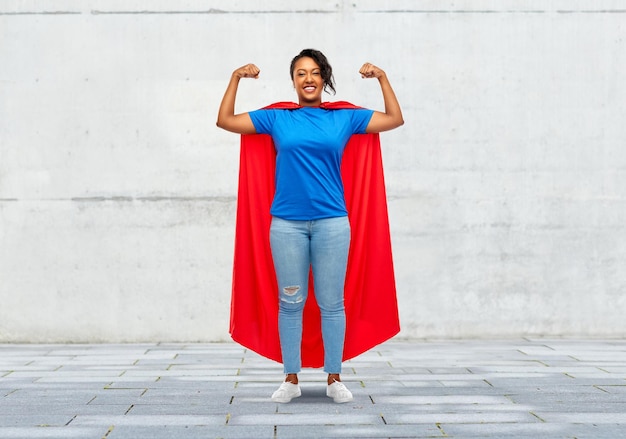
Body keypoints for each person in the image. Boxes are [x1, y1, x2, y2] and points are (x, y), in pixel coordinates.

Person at [216, 49, 403, 403]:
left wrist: (381, 77)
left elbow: (394, 118)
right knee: (291, 302)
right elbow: (225, 120)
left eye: (315, 72)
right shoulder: (278, 119)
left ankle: (334, 378)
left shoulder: (343, 119)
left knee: (332, 303)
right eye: (301, 73)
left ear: (324, 78)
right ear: (294, 81)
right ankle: (291, 378)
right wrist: (235, 78)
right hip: (286, 225)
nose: (308, 79)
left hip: (333, 223)